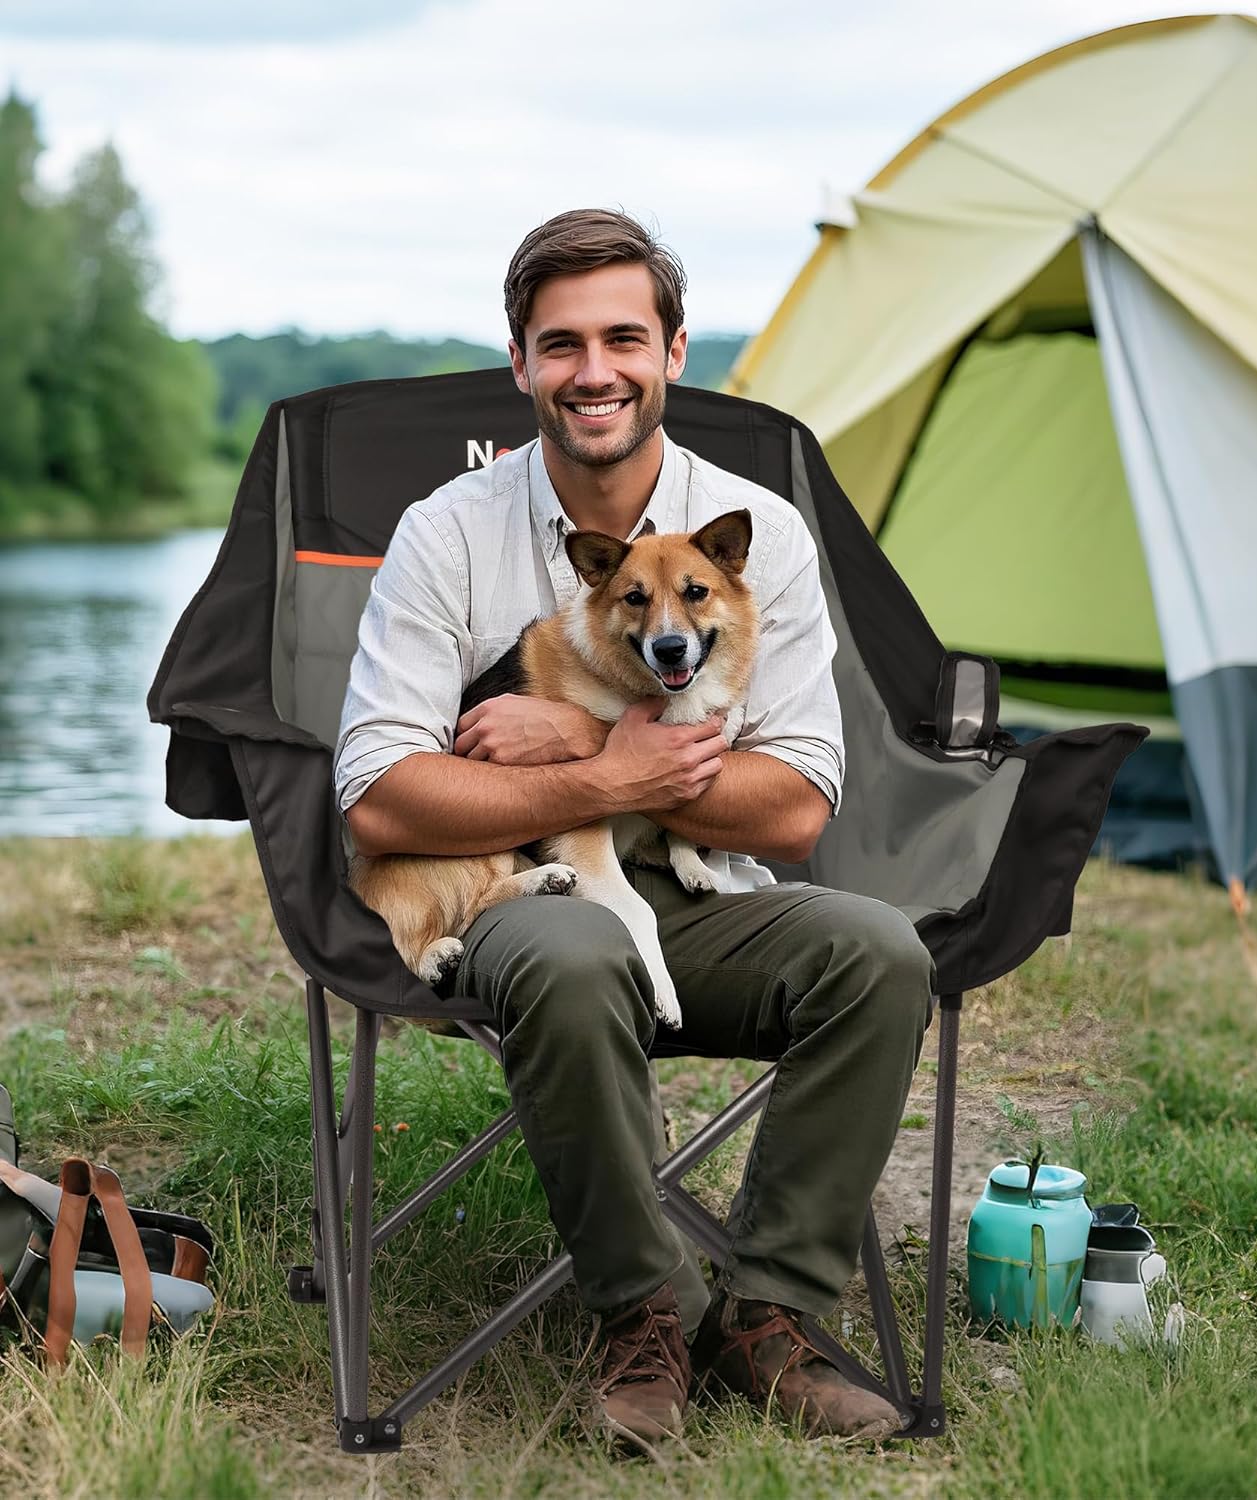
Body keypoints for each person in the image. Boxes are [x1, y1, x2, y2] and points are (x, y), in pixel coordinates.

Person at [334, 209, 934, 1447]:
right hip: (515, 896)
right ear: (521, 366)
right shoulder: (447, 533)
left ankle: (765, 1317)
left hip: (700, 897)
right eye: (561, 345)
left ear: (671, 353)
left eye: (622, 337)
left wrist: (595, 751)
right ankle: (641, 1312)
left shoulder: (750, 529)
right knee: (573, 953)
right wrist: (598, 782)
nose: (592, 371)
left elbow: (800, 802)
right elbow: (383, 794)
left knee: (878, 955)